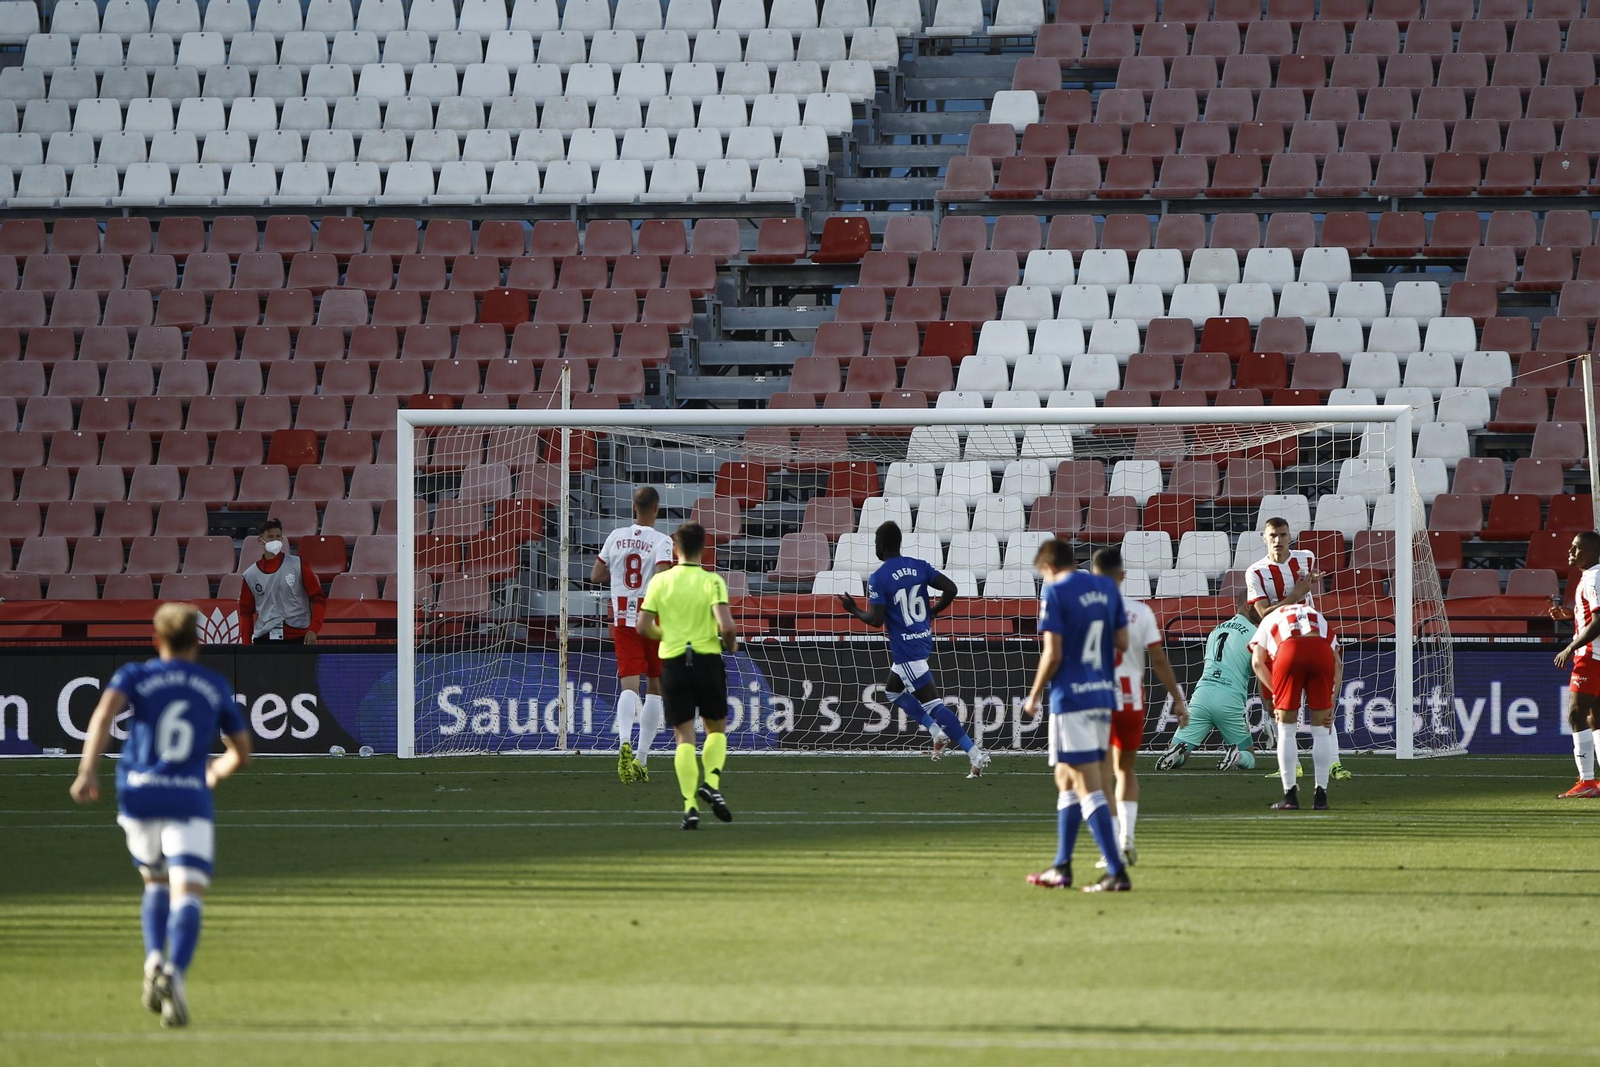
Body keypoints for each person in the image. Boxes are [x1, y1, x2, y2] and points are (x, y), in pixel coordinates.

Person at [69, 603, 252, 1028]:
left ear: (157, 639)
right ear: (198, 641)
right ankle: (174, 974)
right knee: (187, 892)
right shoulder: (212, 684)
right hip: (187, 799)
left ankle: (153, 961)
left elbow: (102, 716)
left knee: (154, 879)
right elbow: (241, 753)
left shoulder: (135, 674)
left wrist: (86, 771)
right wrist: (214, 773)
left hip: (138, 794)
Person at [838, 521, 989, 778]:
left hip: (906, 649)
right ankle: (936, 732)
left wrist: (853, 609)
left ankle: (975, 754)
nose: (876, 546)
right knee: (893, 691)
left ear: (882, 546)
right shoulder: (918, 566)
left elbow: (875, 620)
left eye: (876, 542)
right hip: (921, 638)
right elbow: (951, 589)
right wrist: (933, 612)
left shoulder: (879, 577)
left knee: (934, 705)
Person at [1022, 539, 1131, 893]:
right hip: (1102, 694)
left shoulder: (1055, 592)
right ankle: (1062, 866)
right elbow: (1123, 641)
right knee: (1066, 778)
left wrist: (1034, 694)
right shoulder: (1104, 587)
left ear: (1049, 567)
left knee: (1087, 784)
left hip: (1071, 697)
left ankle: (1116, 871)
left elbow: (1052, 654)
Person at [637, 522, 739, 830]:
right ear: (704, 549)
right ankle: (710, 783)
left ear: (676, 549)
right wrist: (729, 645)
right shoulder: (713, 581)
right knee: (716, 729)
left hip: (674, 663)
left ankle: (690, 807)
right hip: (707, 660)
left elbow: (642, 627)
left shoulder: (660, 582)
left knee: (683, 737)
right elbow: (728, 626)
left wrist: (664, 634)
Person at [1091, 546, 1187, 866]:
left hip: (1096, 699)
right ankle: (1127, 837)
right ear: (1123, 576)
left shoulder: (1084, 610)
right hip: (1132, 700)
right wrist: (1177, 699)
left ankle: (1114, 848)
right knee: (1126, 769)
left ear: (1093, 575)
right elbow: (1159, 660)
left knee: (1102, 775)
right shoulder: (1140, 612)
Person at [1246, 517, 1350, 782]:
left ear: (1290, 536)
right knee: (1277, 707)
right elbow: (1262, 614)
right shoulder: (1255, 572)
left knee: (1322, 703)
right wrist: (1297, 592)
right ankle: (1292, 766)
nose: (1278, 540)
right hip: (1278, 641)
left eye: (1282, 535)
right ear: (1264, 538)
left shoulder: (1307, 557)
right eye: (1272, 535)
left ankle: (1334, 764)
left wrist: (1305, 591)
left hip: (1312, 635)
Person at [592, 486, 675, 784]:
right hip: (652, 617)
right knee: (655, 683)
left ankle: (623, 740)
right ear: (656, 509)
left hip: (622, 616)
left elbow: (595, 576)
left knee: (629, 681)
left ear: (633, 506)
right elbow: (664, 575)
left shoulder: (615, 536)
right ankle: (641, 758)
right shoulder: (662, 541)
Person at [1251, 601, 1342, 811]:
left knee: (1286, 731)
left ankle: (1290, 796)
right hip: (1320, 651)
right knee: (1321, 731)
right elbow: (1337, 662)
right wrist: (1332, 699)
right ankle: (1321, 797)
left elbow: (1257, 662)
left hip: (1289, 650)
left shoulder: (1270, 618)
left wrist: (1276, 691)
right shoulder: (1315, 614)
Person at [1157, 596, 1262, 772]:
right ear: (1248, 605)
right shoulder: (1255, 634)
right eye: (1259, 605)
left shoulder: (1216, 630)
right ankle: (1236, 756)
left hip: (1202, 695)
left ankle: (1175, 753)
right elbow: (1259, 668)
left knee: (1182, 754)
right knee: (1249, 758)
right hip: (1229, 698)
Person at [1551, 531, 1600, 798]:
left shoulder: (1594, 577)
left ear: (1592, 552)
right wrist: (1571, 615)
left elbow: (1599, 621)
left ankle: (1587, 781)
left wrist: (1571, 647)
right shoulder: (1591, 576)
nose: (1570, 551)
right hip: (1596, 655)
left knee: (1575, 715)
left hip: (1591, 657)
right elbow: (1591, 616)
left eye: (1577, 547)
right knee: (1596, 718)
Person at [238, 518, 326, 646]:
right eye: (270, 537)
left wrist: (314, 629)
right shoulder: (250, 575)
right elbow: (246, 612)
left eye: (278, 536)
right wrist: (246, 645)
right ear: (260, 540)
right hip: (264, 638)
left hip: (298, 636)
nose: (275, 540)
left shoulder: (298, 565)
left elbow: (318, 599)